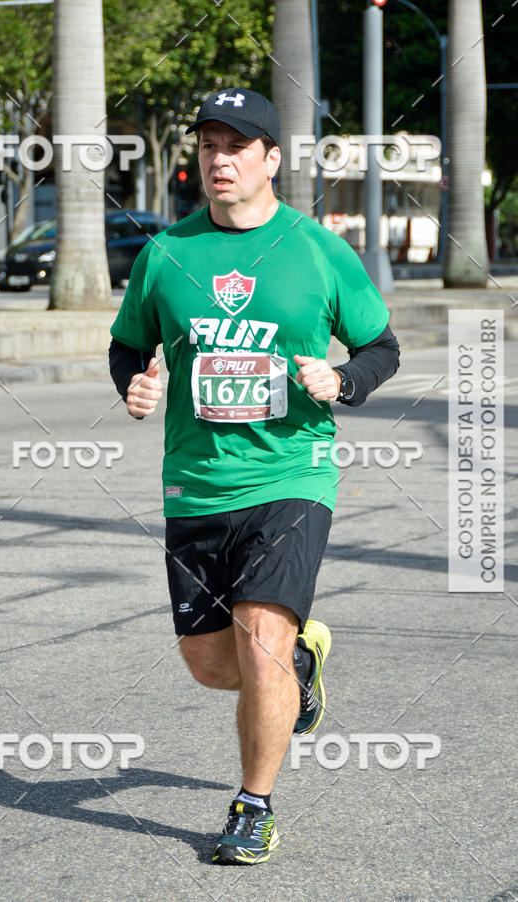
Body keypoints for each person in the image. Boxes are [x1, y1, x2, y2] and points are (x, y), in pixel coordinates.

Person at [109, 87, 400, 865]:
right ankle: (302, 667)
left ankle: (253, 804)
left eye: (236, 146)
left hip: (291, 476)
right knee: (213, 665)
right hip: (194, 483)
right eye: (208, 145)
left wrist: (343, 382)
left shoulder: (317, 251)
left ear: (272, 159)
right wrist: (134, 384)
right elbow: (128, 345)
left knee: (260, 636)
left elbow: (381, 348)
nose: (218, 159)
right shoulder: (166, 254)